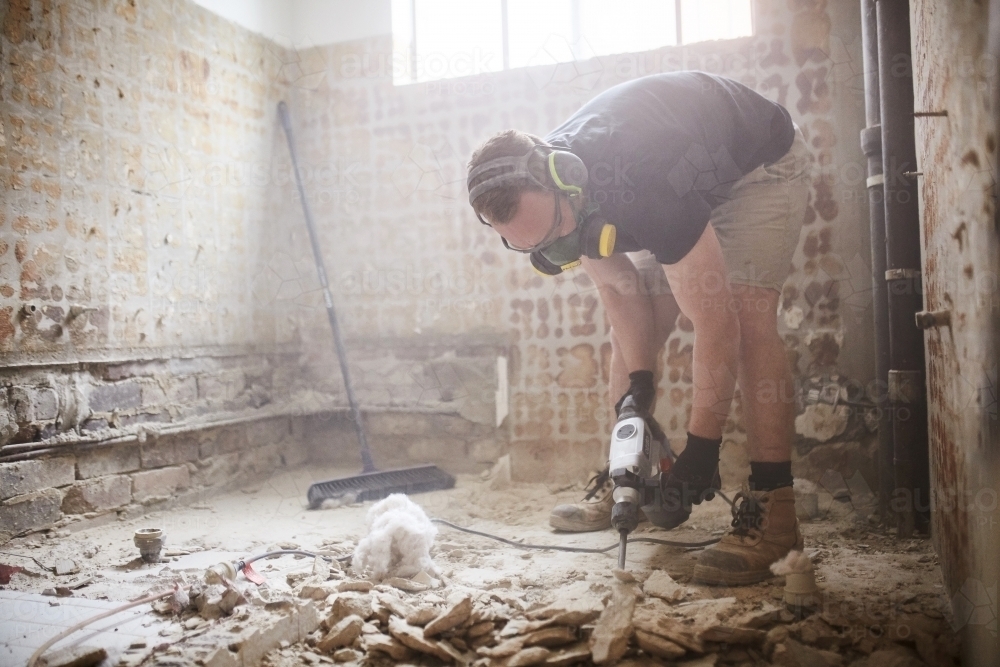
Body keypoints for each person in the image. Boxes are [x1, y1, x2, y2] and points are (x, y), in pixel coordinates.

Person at [466, 71, 811, 586]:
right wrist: (637, 391)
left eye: (558, 231)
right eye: (537, 245)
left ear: (566, 176)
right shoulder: (554, 203)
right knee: (632, 330)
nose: (561, 248)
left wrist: (701, 450)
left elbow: (715, 322)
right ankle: (627, 477)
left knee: (746, 314)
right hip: (675, 174)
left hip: (755, 169)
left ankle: (775, 512)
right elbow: (620, 293)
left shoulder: (645, 185)